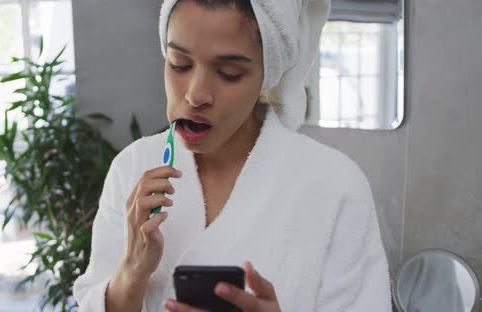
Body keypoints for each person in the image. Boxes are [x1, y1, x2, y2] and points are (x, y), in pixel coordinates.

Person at [73, 0, 392, 311]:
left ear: (268, 75)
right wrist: (132, 271)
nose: (196, 95)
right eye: (179, 64)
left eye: (229, 73)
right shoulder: (132, 167)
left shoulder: (337, 186)